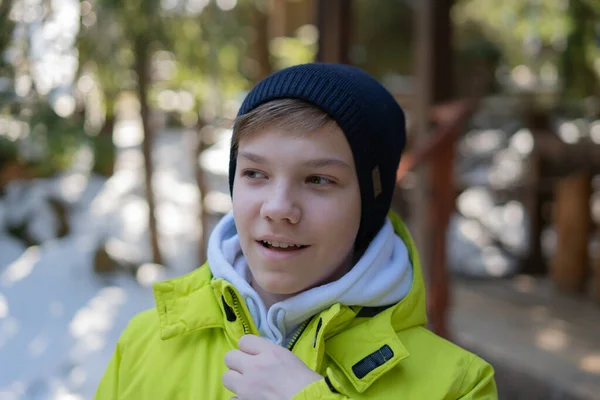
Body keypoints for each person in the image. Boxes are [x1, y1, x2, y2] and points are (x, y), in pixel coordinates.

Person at [95, 63, 498, 399]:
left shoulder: (456, 385)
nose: (278, 209)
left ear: (371, 203)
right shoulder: (145, 343)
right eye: (255, 174)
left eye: (318, 180)